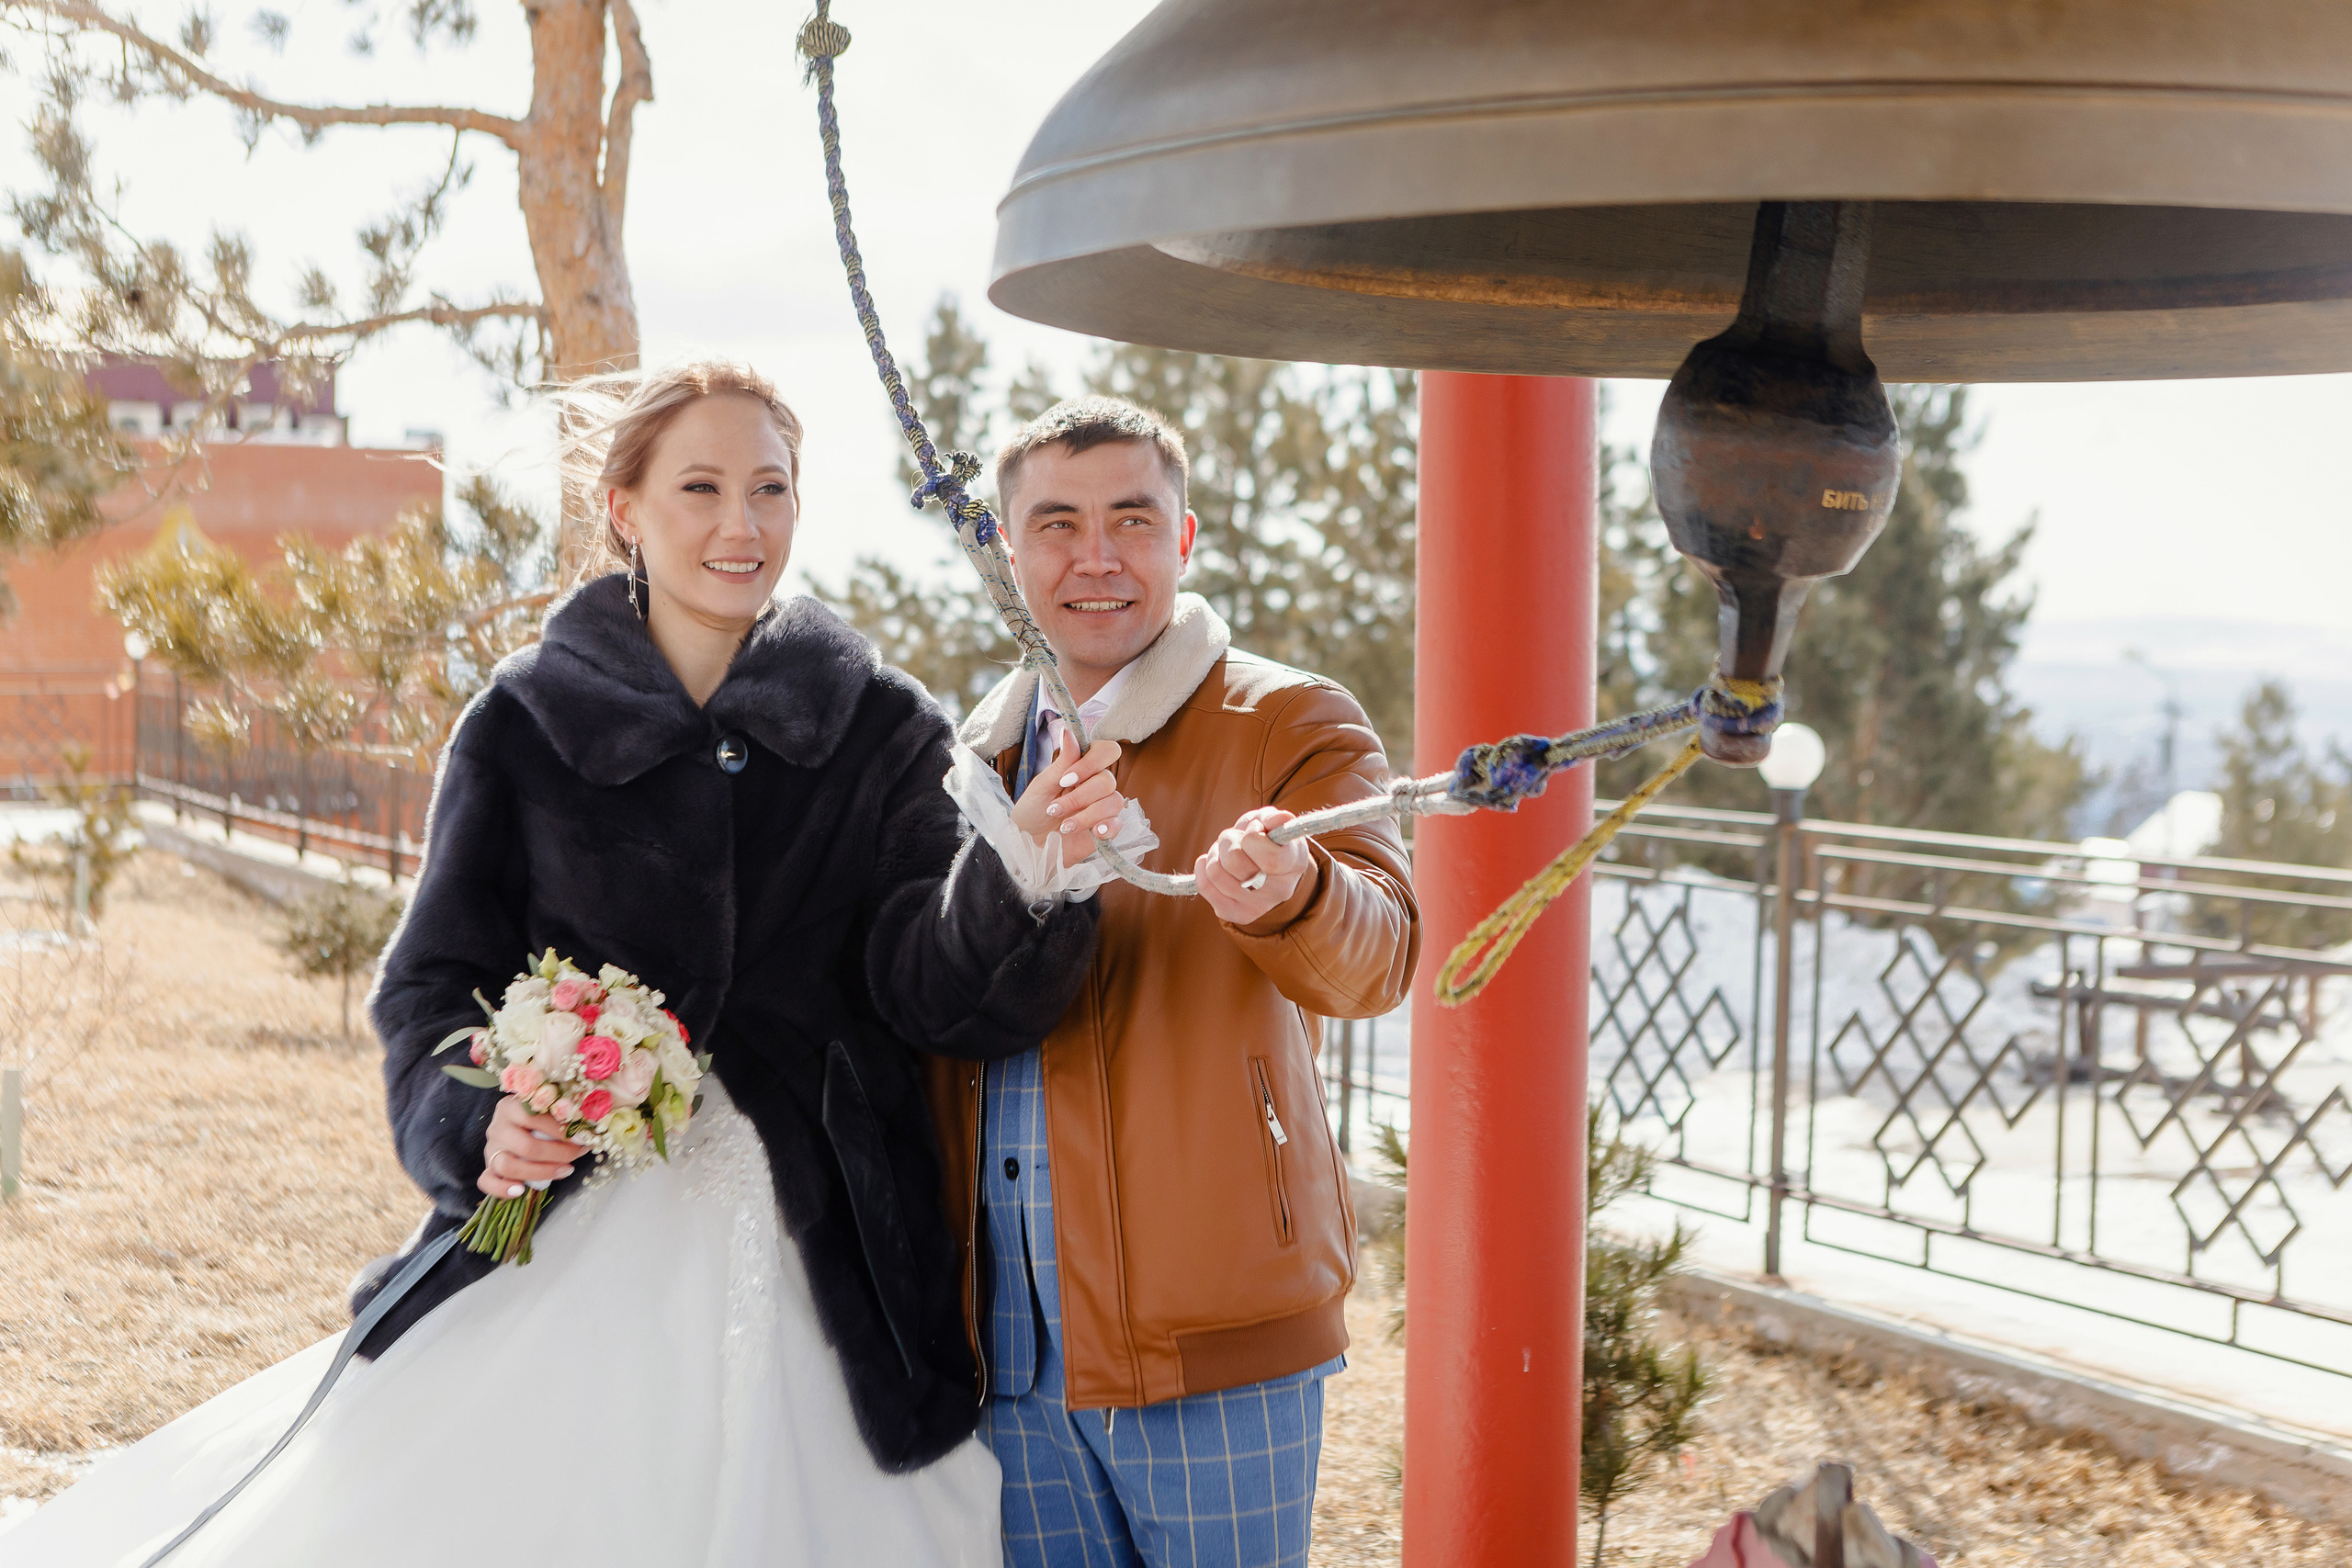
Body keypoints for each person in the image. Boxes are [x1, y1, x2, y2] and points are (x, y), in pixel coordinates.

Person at [0, 361, 1133, 1568]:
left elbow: (933, 991)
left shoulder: (880, 726)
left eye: (771, 487)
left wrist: (1021, 874)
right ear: (623, 506)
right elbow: (431, 988)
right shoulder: (525, 722)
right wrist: (480, 1118)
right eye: (700, 486)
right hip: (571, 1237)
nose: (741, 523)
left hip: (835, 1265)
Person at [929, 397, 1420, 1568]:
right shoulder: (975, 761)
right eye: (1056, 523)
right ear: (1007, 551)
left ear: (1185, 538)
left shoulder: (1285, 719)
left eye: (1132, 520)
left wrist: (1298, 892)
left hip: (1214, 1332)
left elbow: (1382, 953)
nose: (1095, 557)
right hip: (1006, 1349)